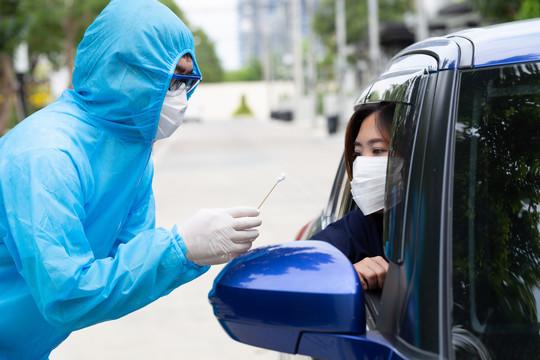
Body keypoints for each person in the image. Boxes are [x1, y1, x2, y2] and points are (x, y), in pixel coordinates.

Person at [0, 0, 262, 358]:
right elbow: (66, 296)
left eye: (189, 80)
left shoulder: (133, 153)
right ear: (125, 72)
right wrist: (181, 248)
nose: (182, 96)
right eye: (172, 79)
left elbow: (130, 263)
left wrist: (195, 252)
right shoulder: (46, 155)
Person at [310, 102, 395, 291]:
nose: (362, 164)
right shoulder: (362, 226)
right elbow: (297, 269)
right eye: (358, 153)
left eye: (378, 150)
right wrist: (343, 274)